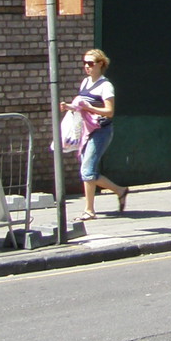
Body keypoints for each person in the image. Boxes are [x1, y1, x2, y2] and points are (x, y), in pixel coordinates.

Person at [62, 48, 126, 219]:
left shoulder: (106, 86)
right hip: (86, 131)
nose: (86, 67)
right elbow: (81, 105)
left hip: (101, 131)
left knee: (87, 171)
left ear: (100, 64)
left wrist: (89, 108)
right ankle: (119, 191)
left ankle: (90, 210)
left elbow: (109, 111)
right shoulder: (85, 82)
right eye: (84, 63)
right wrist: (69, 107)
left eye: (90, 63)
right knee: (87, 171)